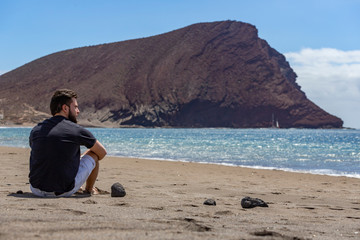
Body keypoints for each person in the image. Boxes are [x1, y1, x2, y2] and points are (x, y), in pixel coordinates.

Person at [29, 89, 107, 197]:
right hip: (63, 191)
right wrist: (85, 155)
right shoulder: (76, 130)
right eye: (75, 107)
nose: (78, 111)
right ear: (65, 108)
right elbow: (102, 152)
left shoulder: (36, 129)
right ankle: (89, 190)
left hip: (35, 189)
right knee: (93, 154)